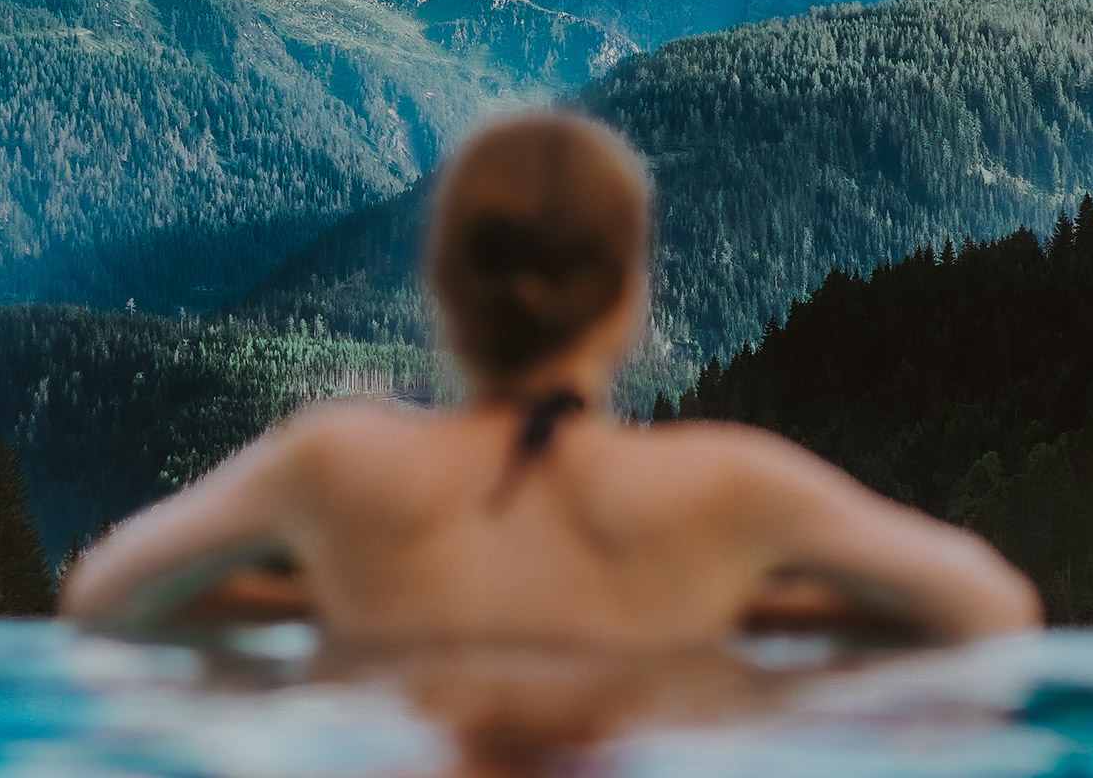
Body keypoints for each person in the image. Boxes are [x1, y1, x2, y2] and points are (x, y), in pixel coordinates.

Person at [59, 111, 1042, 646]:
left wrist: (337, 605)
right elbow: (991, 608)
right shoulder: (724, 486)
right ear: (627, 300)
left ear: (444, 290)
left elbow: (105, 597)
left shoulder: (338, 460)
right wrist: (740, 610)